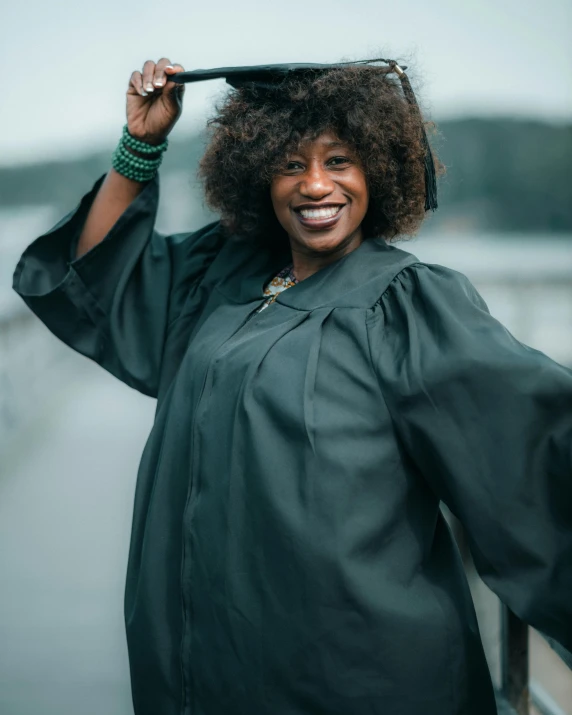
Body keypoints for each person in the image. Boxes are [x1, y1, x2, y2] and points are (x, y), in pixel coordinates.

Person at [12, 56, 572, 715]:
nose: (315, 185)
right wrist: (142, 143)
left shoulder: (407, 304)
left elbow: (533, 444)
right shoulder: (223, 273)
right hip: (202, 668)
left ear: (379, 171)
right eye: (290, 163)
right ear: (258, 173)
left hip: (357, 676)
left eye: (339, 161)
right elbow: (99, 276)